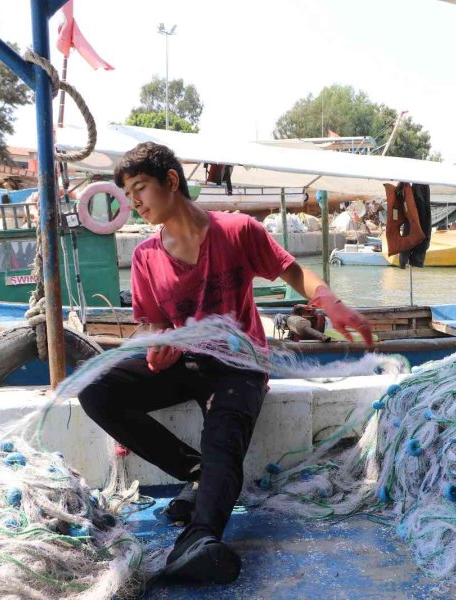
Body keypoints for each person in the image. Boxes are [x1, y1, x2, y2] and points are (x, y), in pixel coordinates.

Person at [78, 142, 372, 585]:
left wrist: (334, 306)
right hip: (185, 364)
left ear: (171, 182)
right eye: (129, 194)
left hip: (240, 366)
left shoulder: (238, 230)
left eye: (140, 189)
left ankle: (200, 538)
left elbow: (292, 271)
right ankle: (196, 474)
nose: (135, 202)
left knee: (224, 439)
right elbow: (156, 325)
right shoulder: (145, 257)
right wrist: (161, 345)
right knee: (96, 389)